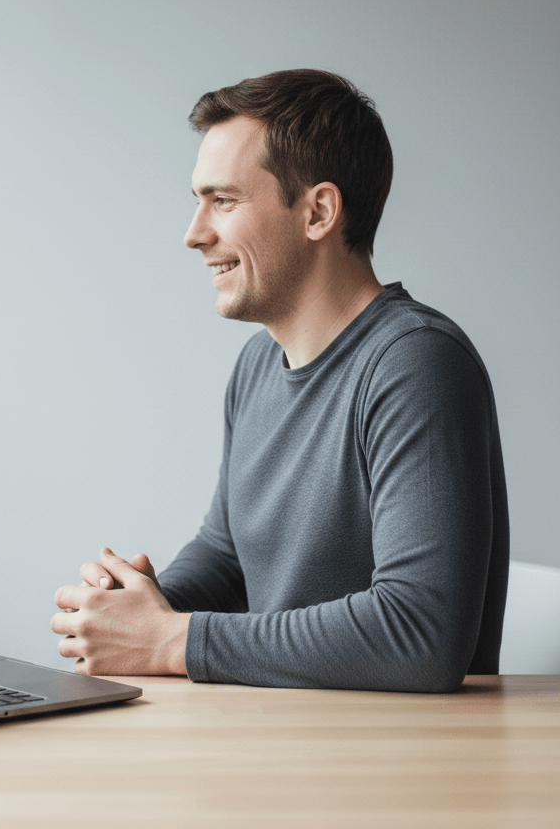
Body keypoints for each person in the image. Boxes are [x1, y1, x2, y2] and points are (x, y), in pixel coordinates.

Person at [50, 69, 509, 692]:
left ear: (318, 211)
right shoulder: (256, 368)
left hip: (395, 767)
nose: (194, 233)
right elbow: (230, 558)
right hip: (282, 741)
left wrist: (171, 640)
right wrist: (137, 607)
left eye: (224, 200)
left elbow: (421, 633)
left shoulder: (415, 365)